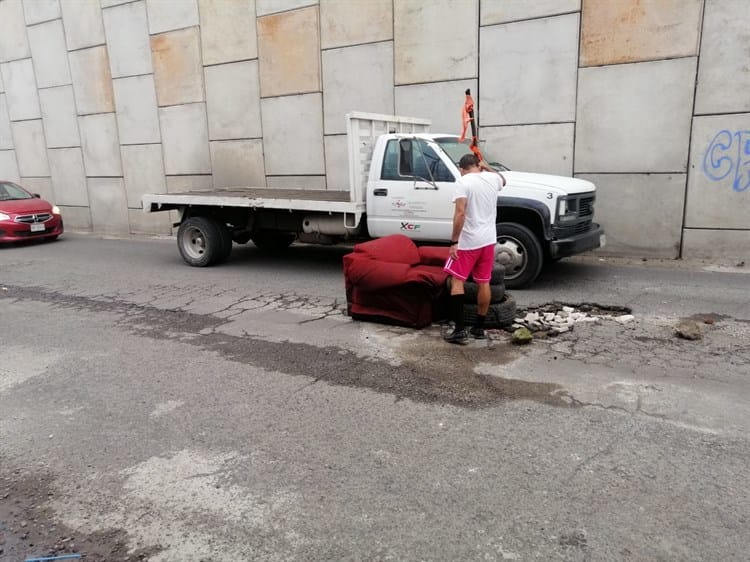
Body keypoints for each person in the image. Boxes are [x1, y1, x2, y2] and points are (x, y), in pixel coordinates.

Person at [443, 153, 506, 344]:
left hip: (469, 241)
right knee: (484, 282)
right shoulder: (493, 178)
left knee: (457, 281)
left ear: (462, 169)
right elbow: (503, 179)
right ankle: (479, 328)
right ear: (478, 165)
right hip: (488, 240)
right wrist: (487, 167)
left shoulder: (464, 182)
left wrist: (454, 242)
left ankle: (460, 330)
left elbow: (460, 213)